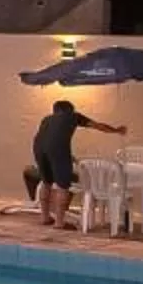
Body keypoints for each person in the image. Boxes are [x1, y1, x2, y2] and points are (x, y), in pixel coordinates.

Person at [31, 98, 126, 229]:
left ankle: (45, 217)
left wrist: (67, 156)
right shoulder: (73, 116)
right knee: (62, 185)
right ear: (70, 109)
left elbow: (48, 139)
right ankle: (59, 223)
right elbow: (98, 126)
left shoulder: (46, 119)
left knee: (46, 182)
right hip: (57, 148)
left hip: (38, 147)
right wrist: (116, 130)